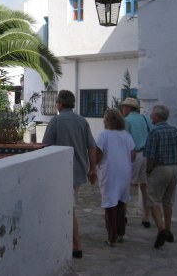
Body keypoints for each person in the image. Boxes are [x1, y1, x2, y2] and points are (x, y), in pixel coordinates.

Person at [42, 90, 97, 259]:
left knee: (68, 207)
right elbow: (92, 147)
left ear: (59, 103)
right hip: (79, 170)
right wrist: (93, 168)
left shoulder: (56, 121)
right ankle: (68, 241)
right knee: (67, 206)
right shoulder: (82, 121)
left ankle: (77, 246)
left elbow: (46, 146)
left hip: (62, 172)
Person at [143, 104, 177, 248]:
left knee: (153, 201)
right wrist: (172, 158)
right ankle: (169, 230)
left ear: (157, 116)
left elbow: (150, 156)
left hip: (160, 168)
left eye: (152, 115)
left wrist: (149, 170)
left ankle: (161, 230)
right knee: (168, 201)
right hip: (175, 168)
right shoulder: (175, 130)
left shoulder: (154, 132)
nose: (150, 117)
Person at [95, 108, 136, 246]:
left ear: (108, 120)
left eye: (104, 118)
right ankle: (120, 233)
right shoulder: (126, 134)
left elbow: (98, 153)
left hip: (110, 171)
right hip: (124, 171)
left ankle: (111, 236)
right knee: (121, 201)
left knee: (110, 203)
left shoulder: (103, 135)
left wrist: (93, 166)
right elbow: (133, 154)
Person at [121, 97, 152, 228]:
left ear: (128, 108)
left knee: (126, 186)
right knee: (145, 188)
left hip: (133, 155)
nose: (122, 109)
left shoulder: (126, 121)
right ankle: (146, 217)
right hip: (147, 155)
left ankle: (123, 215)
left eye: (124, 106)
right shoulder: (146, 119)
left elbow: (125, 141)